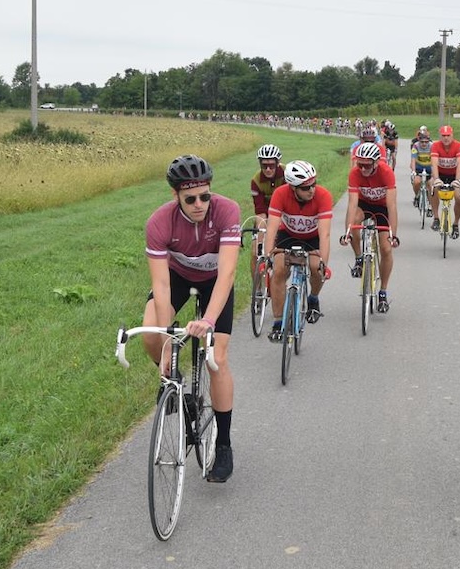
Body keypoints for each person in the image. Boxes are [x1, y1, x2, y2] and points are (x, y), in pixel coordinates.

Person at [143, 154, 241, 483]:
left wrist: (209, 322)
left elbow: (227, 273)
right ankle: (176, 385)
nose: (199, 204)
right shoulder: (159, 223)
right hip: (178, 278)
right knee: (152, 336)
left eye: (205, 196)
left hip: (215, 280)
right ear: (175, 196)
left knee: (217, 357)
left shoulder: (227, 211)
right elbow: (159, 285)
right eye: (190, 199)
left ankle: (224, 445)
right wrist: (169, 340)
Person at [263, 160, 334, 338]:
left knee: (315, 268)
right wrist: (267, 257)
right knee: (278, 271)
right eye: (305, 188)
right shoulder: (280, 194)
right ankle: (278, 323)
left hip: (313, 237)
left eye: (313, 185)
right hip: (288, 235)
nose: (311, 190)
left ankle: (313, 298)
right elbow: (271, 228)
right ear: (293, 188)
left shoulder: (323, 196)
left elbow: (325, 234)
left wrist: (324, 263)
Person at [340, 142, 400, 313]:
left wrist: (393, 235)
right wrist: (347, 233)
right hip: (363, 205)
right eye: (360, 164)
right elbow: (352, 204)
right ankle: (359, 257)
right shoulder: (355, 173)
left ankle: (383, 292)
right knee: (354, 224)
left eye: (367, 165)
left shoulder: (386, 172)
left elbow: (392, 206)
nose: (363, 168)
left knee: (386, 248)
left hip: (382, 208)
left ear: (376, 162)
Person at [249, 144, 284, 281]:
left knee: (281, 253)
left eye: (271, 165)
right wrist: (261, 236)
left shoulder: (286, 175)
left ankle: (280, 281)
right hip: (265, 216)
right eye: (264, 166)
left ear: (278, 163)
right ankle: (257, 288)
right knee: (255, 252)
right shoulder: (256, 181)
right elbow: (260, 211)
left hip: (284, 215)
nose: (268, 169)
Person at [430, 124, 460, 238]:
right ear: (440, 136)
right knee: (432, 187)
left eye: (448, 135)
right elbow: (434, 163)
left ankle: (455, 224)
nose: (446, 138)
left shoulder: (459, 146)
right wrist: (436, 179)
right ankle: (436, 218)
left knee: (459, 197)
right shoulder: (435, 145)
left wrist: (457, 180)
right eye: (443, 135)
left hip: (453, 176)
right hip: (440, 174)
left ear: (452, 135)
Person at [410, 128, 434, 212]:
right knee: (416, 182)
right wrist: (413, 171)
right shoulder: (415, 146)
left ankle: (431, 206)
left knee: (431, 186)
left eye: (426, 142)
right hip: (419, 168)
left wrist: (435, 172)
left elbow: (434, 160)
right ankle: (417, 197)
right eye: (422, 142)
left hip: (429, 169)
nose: (424, 144)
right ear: (419, 141)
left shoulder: (432, 146)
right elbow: (413, 160)